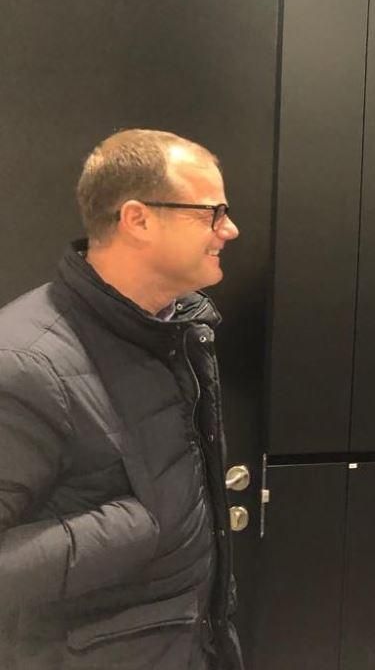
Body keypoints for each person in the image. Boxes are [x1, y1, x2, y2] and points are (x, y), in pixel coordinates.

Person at [0, 129, 243, 669]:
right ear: (138, 219)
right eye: (212, 212)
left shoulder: (177, 331)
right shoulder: (25, 363)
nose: (229, 229)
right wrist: (134, 528)